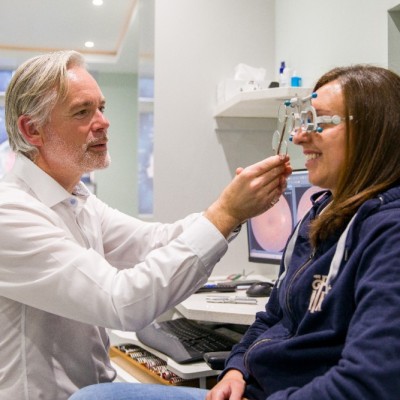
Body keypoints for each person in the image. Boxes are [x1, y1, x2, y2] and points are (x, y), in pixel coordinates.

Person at [69, 64, 400, 400]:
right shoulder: (320, 216)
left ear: (374, 130)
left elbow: (369, 383)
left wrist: (229, 213)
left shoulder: (389, 232)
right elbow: (273, 317)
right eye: (304, 121)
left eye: (321, 122)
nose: (300, 137)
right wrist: (236, 368)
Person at [0, 50, 291, 400]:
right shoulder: (10, 212)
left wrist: (233, 211)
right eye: (82, 112)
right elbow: (120, 302)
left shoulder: (76, 198)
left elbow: (154, 240)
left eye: (101, 108)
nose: (103, 122)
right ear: (32, 130)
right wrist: (226, 213)